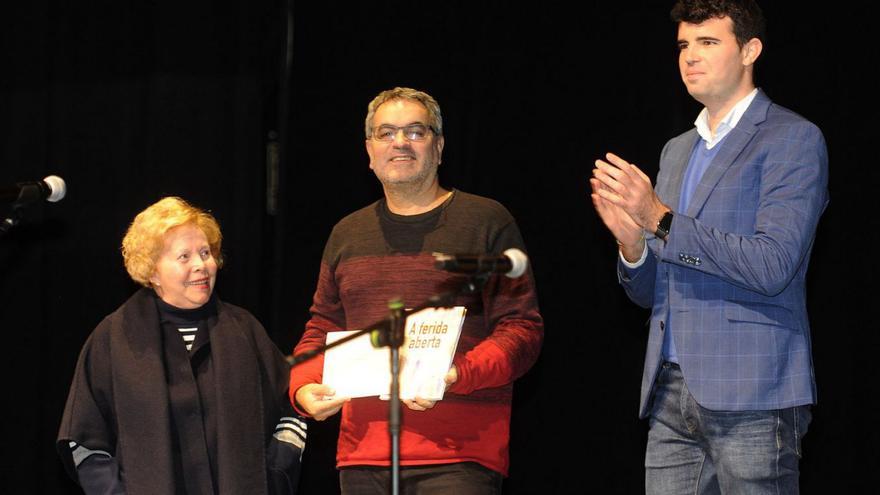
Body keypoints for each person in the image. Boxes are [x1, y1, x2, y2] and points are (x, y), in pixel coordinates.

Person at [590, 1, 828, 493]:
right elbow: (654, 290)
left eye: (708, 42)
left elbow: (772, 265)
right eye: (683, 45)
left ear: (750, 50)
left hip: (754, 392)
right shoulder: (677, 150)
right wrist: (633, 245)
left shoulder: (793, 139)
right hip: (670, 391)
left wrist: (659, 219)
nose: (690, 57)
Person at [290, 87, 543, 494]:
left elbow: (522, 330)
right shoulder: (346, 234)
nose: (400, 143)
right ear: (369, 150)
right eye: (386, 133)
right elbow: (322, 327)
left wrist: (456, 373)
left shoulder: (486, 221)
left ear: (439, 146)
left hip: (459, 456)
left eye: (415, 131)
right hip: (362, 456)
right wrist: (302, 388)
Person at [57, 197, 306, 494]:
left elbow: (291, 407)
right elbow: (84, 439)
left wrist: (274, 474)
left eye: (205, 252)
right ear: (152, 272)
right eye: (184, 257)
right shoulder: (113, 339)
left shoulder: (245, 330)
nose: (202, 265)